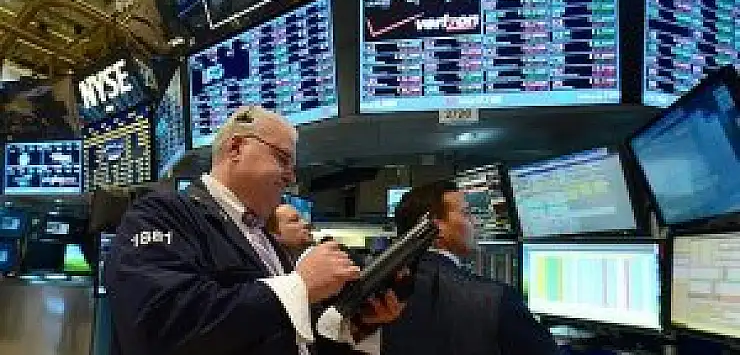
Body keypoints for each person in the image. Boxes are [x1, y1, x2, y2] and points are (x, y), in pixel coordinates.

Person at [105, 105, 404, 355]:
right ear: (236, 148)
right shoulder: (161, 213)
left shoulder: (263, 239)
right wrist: (301, 285)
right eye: (283, 159)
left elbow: (283, 333)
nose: (291, 178)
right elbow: (159, 326)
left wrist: (359, 325)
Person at [381, 180, 561, 355]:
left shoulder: (383, 293)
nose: (475, 222)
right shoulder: (498, 300)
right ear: (436, 227)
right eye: (466, 213)